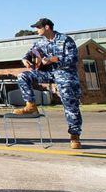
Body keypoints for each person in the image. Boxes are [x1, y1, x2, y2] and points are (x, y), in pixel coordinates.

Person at [13, 18, 83, 149]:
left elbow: (72, 59)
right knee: (23, 76)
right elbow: (29, 54)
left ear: (46, 27)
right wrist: (25, 60)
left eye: (38, 27)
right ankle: (31, 105)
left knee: (70, 104)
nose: (36, 30)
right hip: (48, 74)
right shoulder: (40, 43)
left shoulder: (65, 40)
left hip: (65, 74)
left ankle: (75, 135)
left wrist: (51, 60)